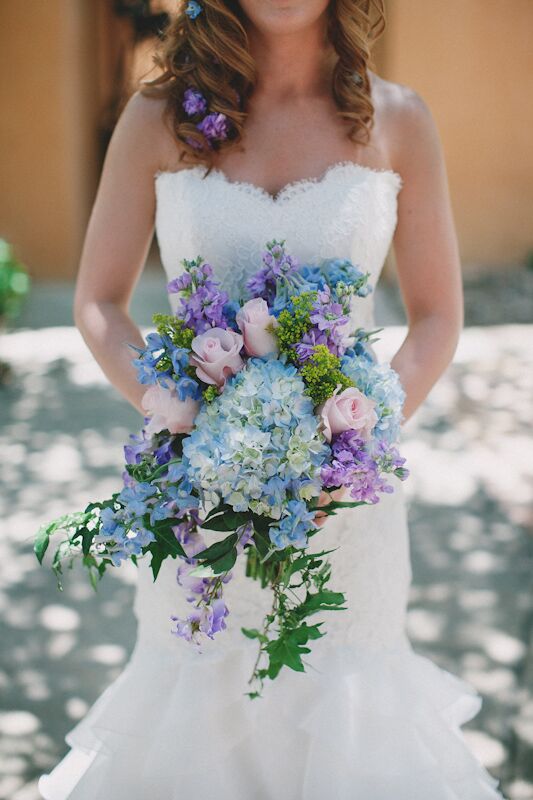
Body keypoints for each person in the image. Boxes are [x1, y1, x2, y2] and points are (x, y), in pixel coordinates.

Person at [39, 1, 507, 798]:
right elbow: (98, 304)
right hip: (197, 502)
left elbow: (435, 317)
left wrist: (353, 443)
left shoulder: (396, 118)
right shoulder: (157, 118)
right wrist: (179, 412)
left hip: (346, 519)